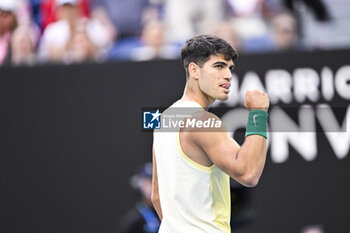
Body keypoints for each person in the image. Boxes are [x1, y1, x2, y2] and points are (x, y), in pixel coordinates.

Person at [152, 34, 269, 233]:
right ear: (194, 70)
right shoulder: (202, 121)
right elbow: (248, 172)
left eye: (229, 68)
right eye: (218, 66)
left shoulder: (164, 119)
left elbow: (157, 195)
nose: (228, 75)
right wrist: (258, 112)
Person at [116, 163, 160, 233]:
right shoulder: (132, 222)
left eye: (154, 181)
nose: (152, 185)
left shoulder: (167, 214)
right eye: (148, 182)